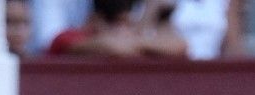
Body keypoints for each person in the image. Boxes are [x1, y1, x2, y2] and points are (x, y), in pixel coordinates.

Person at [48, 0, 187, 55]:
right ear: (96, 19)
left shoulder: (134, 39)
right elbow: (114, 47)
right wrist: (140, 34)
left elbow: (180, 45)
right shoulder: (66, 38)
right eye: (118, 23)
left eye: (127, 23)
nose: (123, 30)